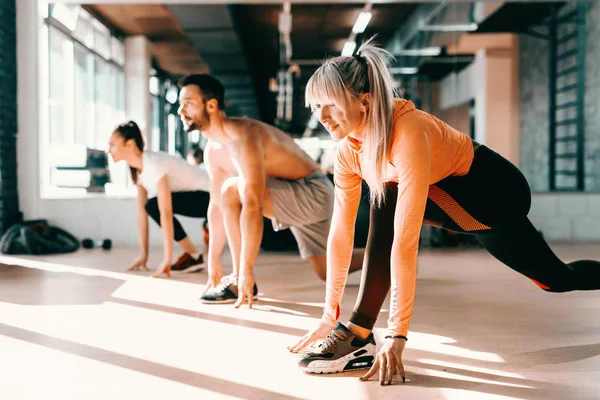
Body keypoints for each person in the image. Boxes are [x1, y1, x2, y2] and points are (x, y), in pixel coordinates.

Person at [288, 37, 600, 384]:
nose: (322, 116)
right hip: (453, 204)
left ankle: (361, 332)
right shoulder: (349, 151)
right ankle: (356, 333)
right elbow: (340, 233)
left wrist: (398, 333)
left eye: (329, 104)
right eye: (316, 106)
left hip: (497, 193)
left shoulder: (408, 132)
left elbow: (405, 242)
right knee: (554, 280)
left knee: (557, 280)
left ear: (364, 100)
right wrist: (327, 314)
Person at [176, 74, 365, 305]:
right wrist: (213, 259)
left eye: (188, 103)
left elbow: (252, 203)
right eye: (179, 103)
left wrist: (245, 270)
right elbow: (215, 206)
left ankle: (237, 280)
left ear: (212, 105)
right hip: (294, 193)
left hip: (312, 191)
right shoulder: (213, 151)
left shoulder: (244, 136)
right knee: (326, 270)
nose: (180, 110)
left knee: (231, 189)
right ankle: (384, 257)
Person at [107, 121, 211, 277]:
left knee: (154, 205)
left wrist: (167, 259)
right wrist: (144, 255)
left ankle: (195, 249)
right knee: (150, 206)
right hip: (198, 198)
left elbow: (166, 213)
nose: (108, 150)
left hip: (212, 196)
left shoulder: (153, 164)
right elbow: (141, 216)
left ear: (129, 144)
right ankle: (194, 256)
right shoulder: (138, 170)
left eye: (113, 145)